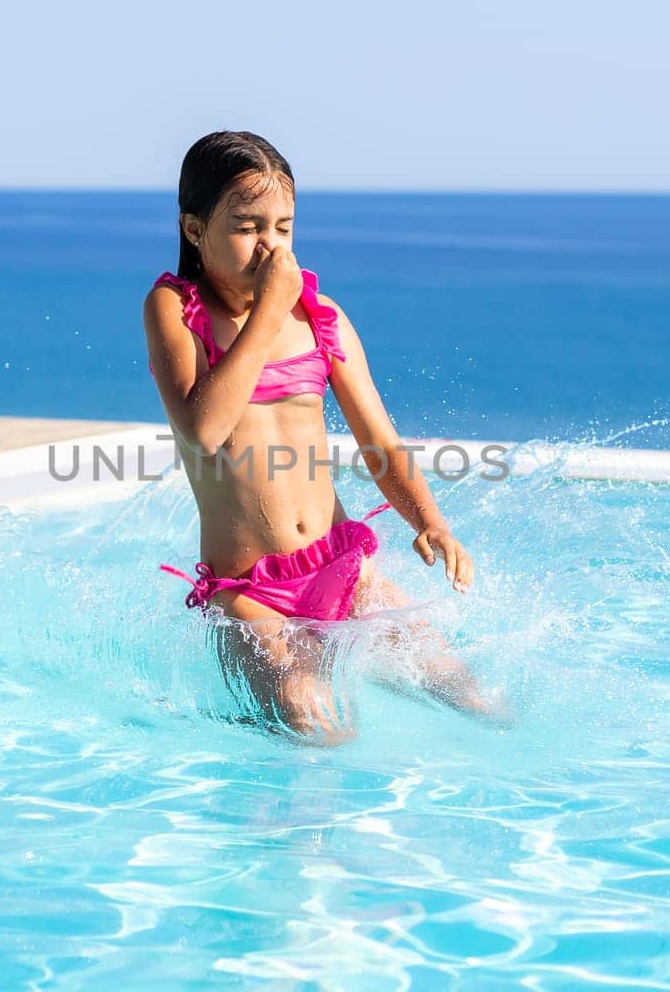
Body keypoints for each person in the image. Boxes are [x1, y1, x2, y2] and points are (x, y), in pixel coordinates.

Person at [143, 131, 506, 743]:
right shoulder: (174, 311)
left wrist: (430, 521)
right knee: (312, 719)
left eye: (283, 228)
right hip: (250, 595)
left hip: (342, 569)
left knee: (469, 696)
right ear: (193, 228)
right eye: (247, 226)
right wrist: (265, 313)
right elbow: (203, 430)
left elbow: (380, 443)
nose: (270, 246)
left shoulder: (320, 318)